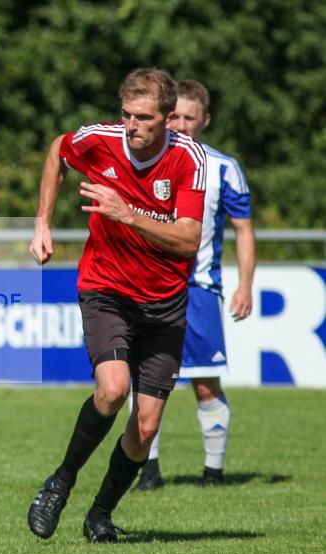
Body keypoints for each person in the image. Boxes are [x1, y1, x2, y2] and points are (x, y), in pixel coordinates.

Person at [27, 68, 206, 543]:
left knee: (145, 427)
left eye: (143, 117)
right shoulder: (100, 140)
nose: (131, 125)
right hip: (106, 290)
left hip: (165, 304)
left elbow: (188, 240)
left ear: (168, 118)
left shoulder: (189, 159)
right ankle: (60, 482)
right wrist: (42, 222)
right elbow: (57, 151)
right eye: (126, 114)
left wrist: (127, 214)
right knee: (112, 389)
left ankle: (100, 515)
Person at [134, 80, 256, 491]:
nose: (181, 124)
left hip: (198, 289)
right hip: (148, 287)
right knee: (144, 382)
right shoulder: (144, 159)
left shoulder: (223, 168)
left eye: (190, 117)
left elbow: (243, 229)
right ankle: (147, 471)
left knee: (204, 383)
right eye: (175, 117)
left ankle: (213, 473)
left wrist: (245, 285)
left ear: (204, 120)